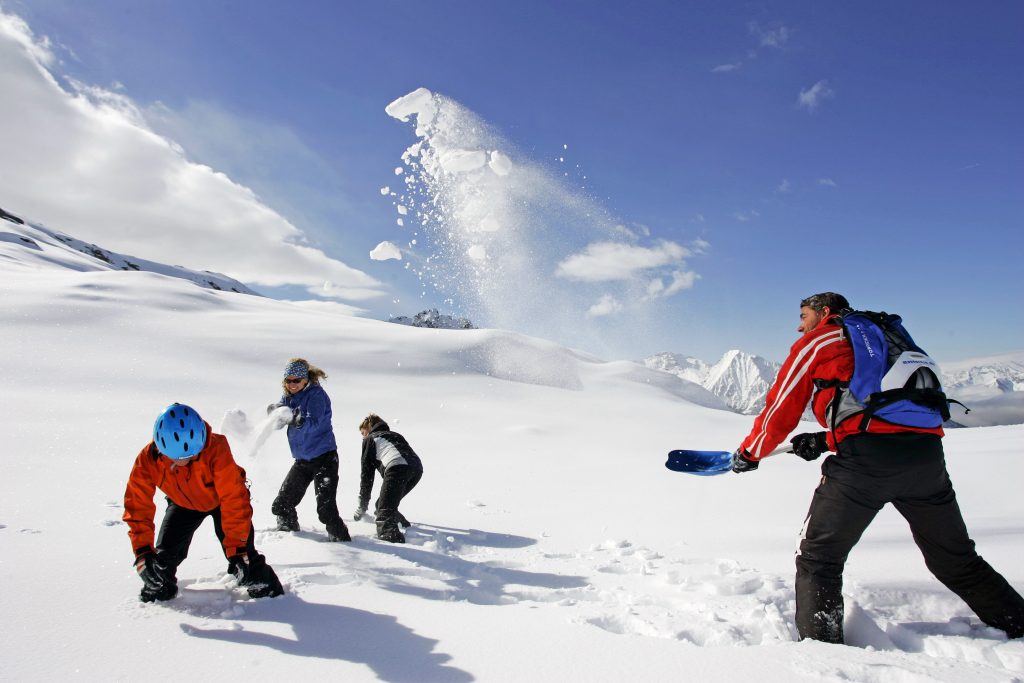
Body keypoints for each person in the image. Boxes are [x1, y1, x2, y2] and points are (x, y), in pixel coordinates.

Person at [732, 292, 1024, 643]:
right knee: (957, 560)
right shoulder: (887, 338)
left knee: (819, 559)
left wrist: (750, 453)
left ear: (824, 312)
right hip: (926, 460)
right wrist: (826, 440)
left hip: (863, 467)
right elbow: (884, 412)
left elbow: (782, 405)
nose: (799, 326)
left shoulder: (820, 339)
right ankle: (1018, 624)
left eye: (803, 316)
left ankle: (820, 656)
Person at [123, 403, 284, 602]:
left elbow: (233, 499)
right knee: (161, 562)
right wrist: (142, 552)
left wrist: (237, 549)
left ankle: (270, 594)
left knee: (243, 559)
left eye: (191, 456)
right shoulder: (148, 459)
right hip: (182, 504)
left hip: (221, 503)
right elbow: (137, 505)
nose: (183, 462)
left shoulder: (216, 448)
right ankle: (159, 592)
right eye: (175, 457)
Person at [268, 358, 351, 542]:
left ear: (305, 379)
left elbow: (314, 422)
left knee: (326, 511)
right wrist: (276, 414)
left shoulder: (317, 395)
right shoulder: (288, 397)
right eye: (288, 381)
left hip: (324, 458)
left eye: (296, 380)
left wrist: (297, 419)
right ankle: (289, 534)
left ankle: (341, 540)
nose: (292, 384)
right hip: (303, 460)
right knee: (281, 505)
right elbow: (280, 422)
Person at [354, 414, 423, 543]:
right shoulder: (395, 435)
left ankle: (396, 544)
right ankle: (405, 526)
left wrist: (362, 505)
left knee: (384, 515)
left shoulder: (370, 439)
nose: (363, 437)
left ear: (368, 428)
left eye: (363, 433)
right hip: (416, 469)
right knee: (382, 504)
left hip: (397, 468)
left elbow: (366, 477)